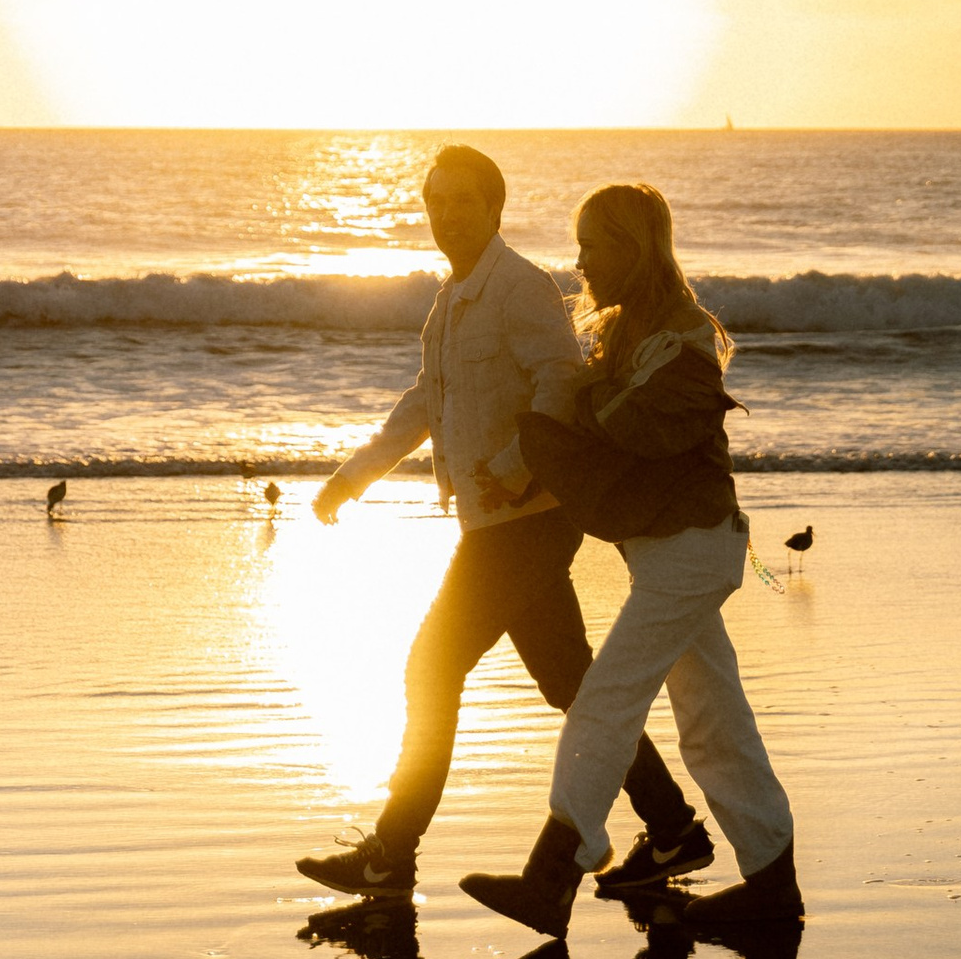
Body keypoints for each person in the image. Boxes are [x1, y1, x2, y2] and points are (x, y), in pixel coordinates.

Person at [296, 146, 710, 901]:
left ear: (494, 209)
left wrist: (518, 464)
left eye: (462, 201)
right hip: (493, 523)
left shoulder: (521, 290)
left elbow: (560, 384)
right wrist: (353, 476)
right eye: (435, 200)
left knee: (431, 668)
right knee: (573, 686)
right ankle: (675, 825)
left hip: (527, 521)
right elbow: (428, 401)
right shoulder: (451, 299)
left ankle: (390, 854)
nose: (445, 214)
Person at [461, 180, 801, 954]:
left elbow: (628, 432)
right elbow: (589, 420)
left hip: (690, 552)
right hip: (673, 555)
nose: (579, 262)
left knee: (604, 701)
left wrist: (546, 445)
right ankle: (773, 888)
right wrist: (523, 461)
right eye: (577, 245)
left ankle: (554, 875)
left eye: (592, 245)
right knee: (714, 722)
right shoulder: (629, 333)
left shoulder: (679, 339)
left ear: (632, 246)